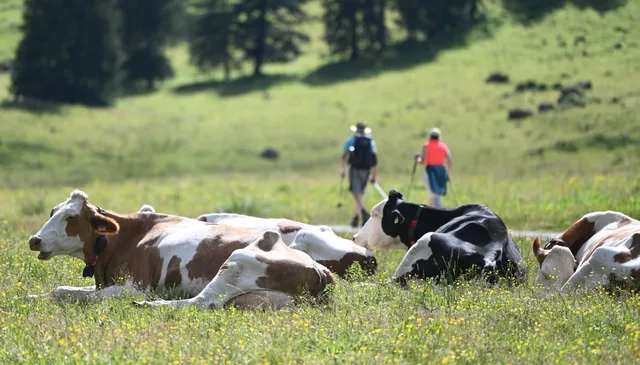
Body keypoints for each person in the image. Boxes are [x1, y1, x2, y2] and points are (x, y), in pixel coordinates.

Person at [341, 120, 378, 228]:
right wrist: (374, 175)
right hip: (366, 170)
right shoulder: (371, 141)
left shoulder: (352, 140)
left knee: (356, 193)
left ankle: (364, 212)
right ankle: (356, 218)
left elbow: (344, 156)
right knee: (360, 194)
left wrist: (343, 170)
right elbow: (375, 160)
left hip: (355, 169)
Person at [416, 127, 453, 208]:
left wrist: (418, 159)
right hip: (441, 172)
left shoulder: (427, 145)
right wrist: (446, 169)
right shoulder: (443, 146)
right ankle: (432, 212)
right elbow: (450, 161)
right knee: (436, 195)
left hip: (430, 171)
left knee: (433, 195)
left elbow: (423, 161)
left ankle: (437, 212)